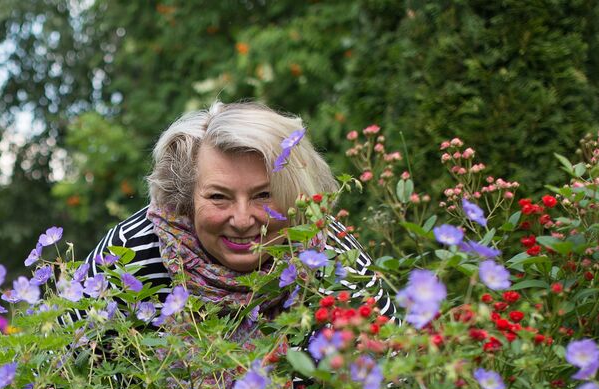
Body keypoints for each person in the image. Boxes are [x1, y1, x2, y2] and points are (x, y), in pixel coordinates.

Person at [79, 101, 393, 327]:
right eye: (219, 197)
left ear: (297, 195)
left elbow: (393, 384)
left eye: (264, 195)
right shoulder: (131, 252)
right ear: (186, 197)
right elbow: (64, 365)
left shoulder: (331, 255)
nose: (242, 221)